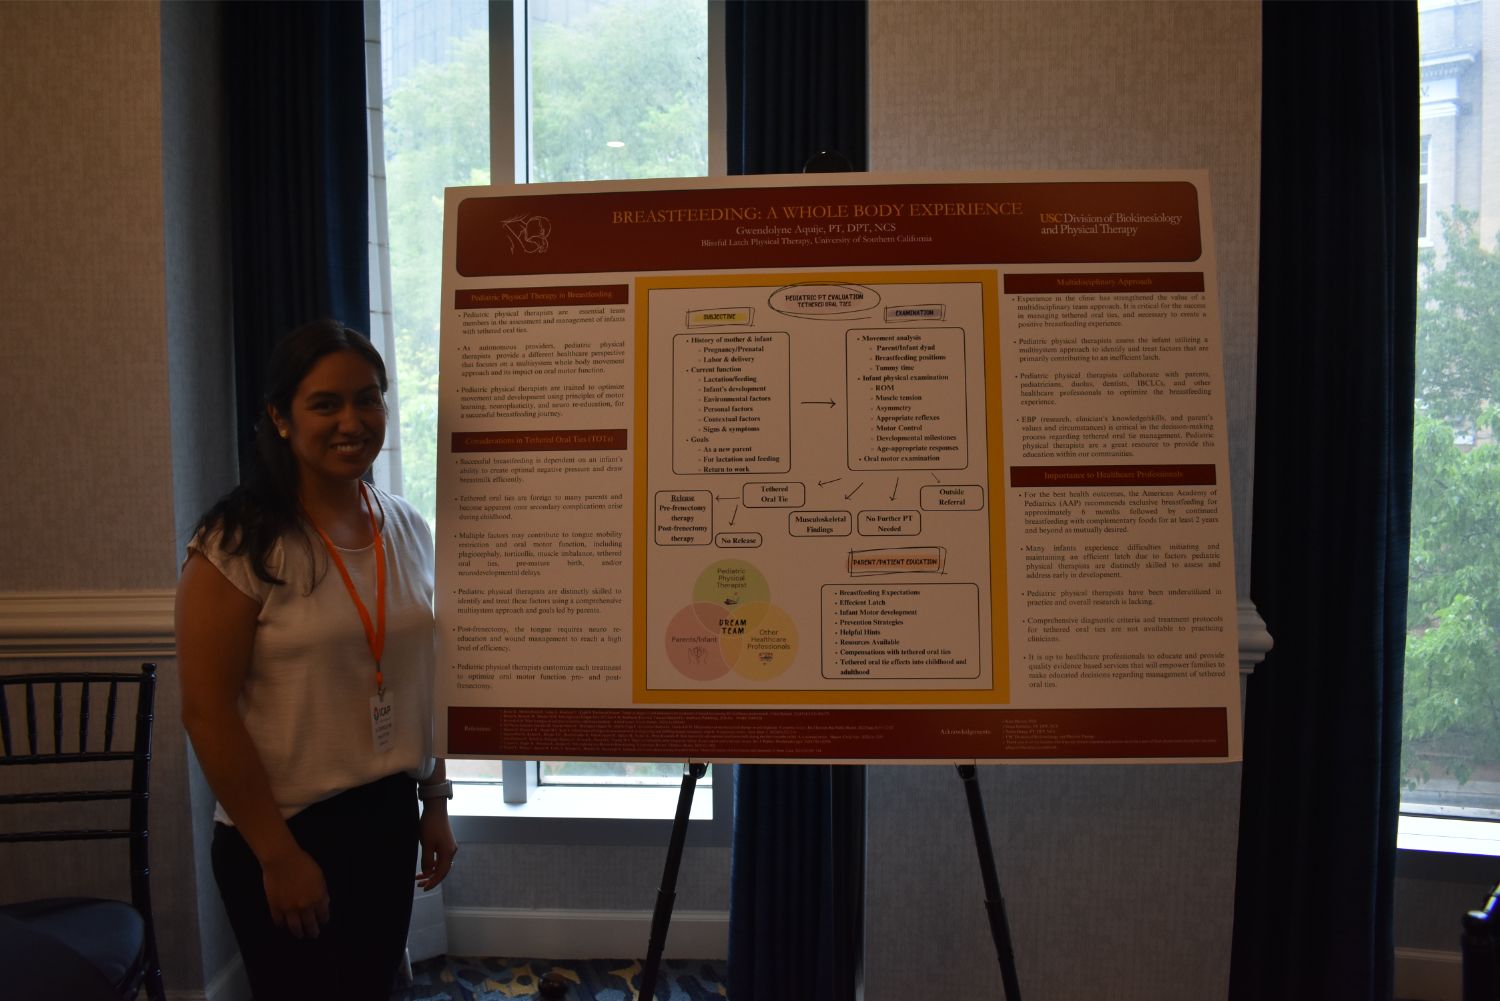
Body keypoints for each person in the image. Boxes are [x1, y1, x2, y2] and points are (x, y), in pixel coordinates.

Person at [177, 319, 457, 1000]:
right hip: (285, 829)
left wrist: (434, 799)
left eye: (367, 399)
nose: (351, 422)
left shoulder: (407, 526)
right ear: (281, 417)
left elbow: (426, 680)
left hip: (387, 816)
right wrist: (278, 855)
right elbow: (207, 712)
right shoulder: (237, 541)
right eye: (325, 404)